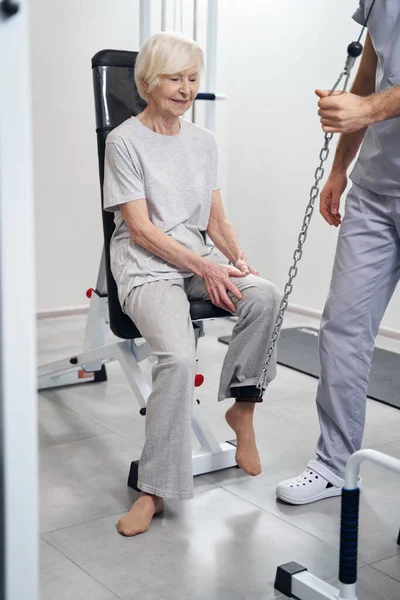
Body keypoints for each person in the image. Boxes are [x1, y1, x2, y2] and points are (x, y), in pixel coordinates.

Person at [103, 32, 281, 535]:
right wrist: (204, 268)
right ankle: (154, 491)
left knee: (264, 295)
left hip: (196, 259)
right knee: (178, 359)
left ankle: (242, 409)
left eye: (192, 79)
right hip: (146, 266)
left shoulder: (204, 143)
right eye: (174, 79)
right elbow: (140, 229)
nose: (185, 90)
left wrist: (239, 262)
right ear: (146, 83)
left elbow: (217, 220)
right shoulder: (124, 142)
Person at [276, 0, 400, 505]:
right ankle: (334, 464)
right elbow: (367, 74)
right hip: (374, 192)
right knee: (343, 329)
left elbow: (370, 101)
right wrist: (339, 169)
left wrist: (369, 109)